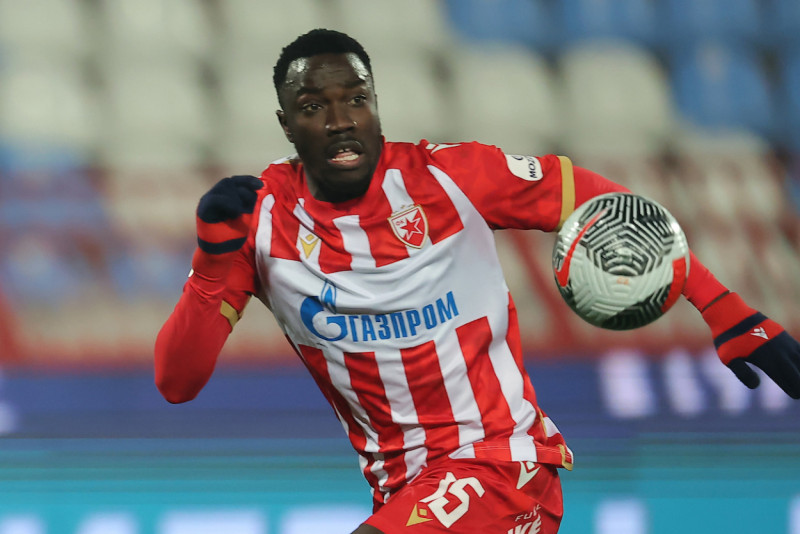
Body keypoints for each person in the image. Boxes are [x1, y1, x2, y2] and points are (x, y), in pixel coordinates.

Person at [154, 29, 800, 533]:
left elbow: (610, 209)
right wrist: (212, 262)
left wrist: (726, 311)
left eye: (357, 98)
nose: (342, 119)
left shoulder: (452, 177)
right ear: (285, 125)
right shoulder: (259, 222)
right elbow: (177, 382)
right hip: (405, 499)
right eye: (313, 106)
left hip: (505, 470)